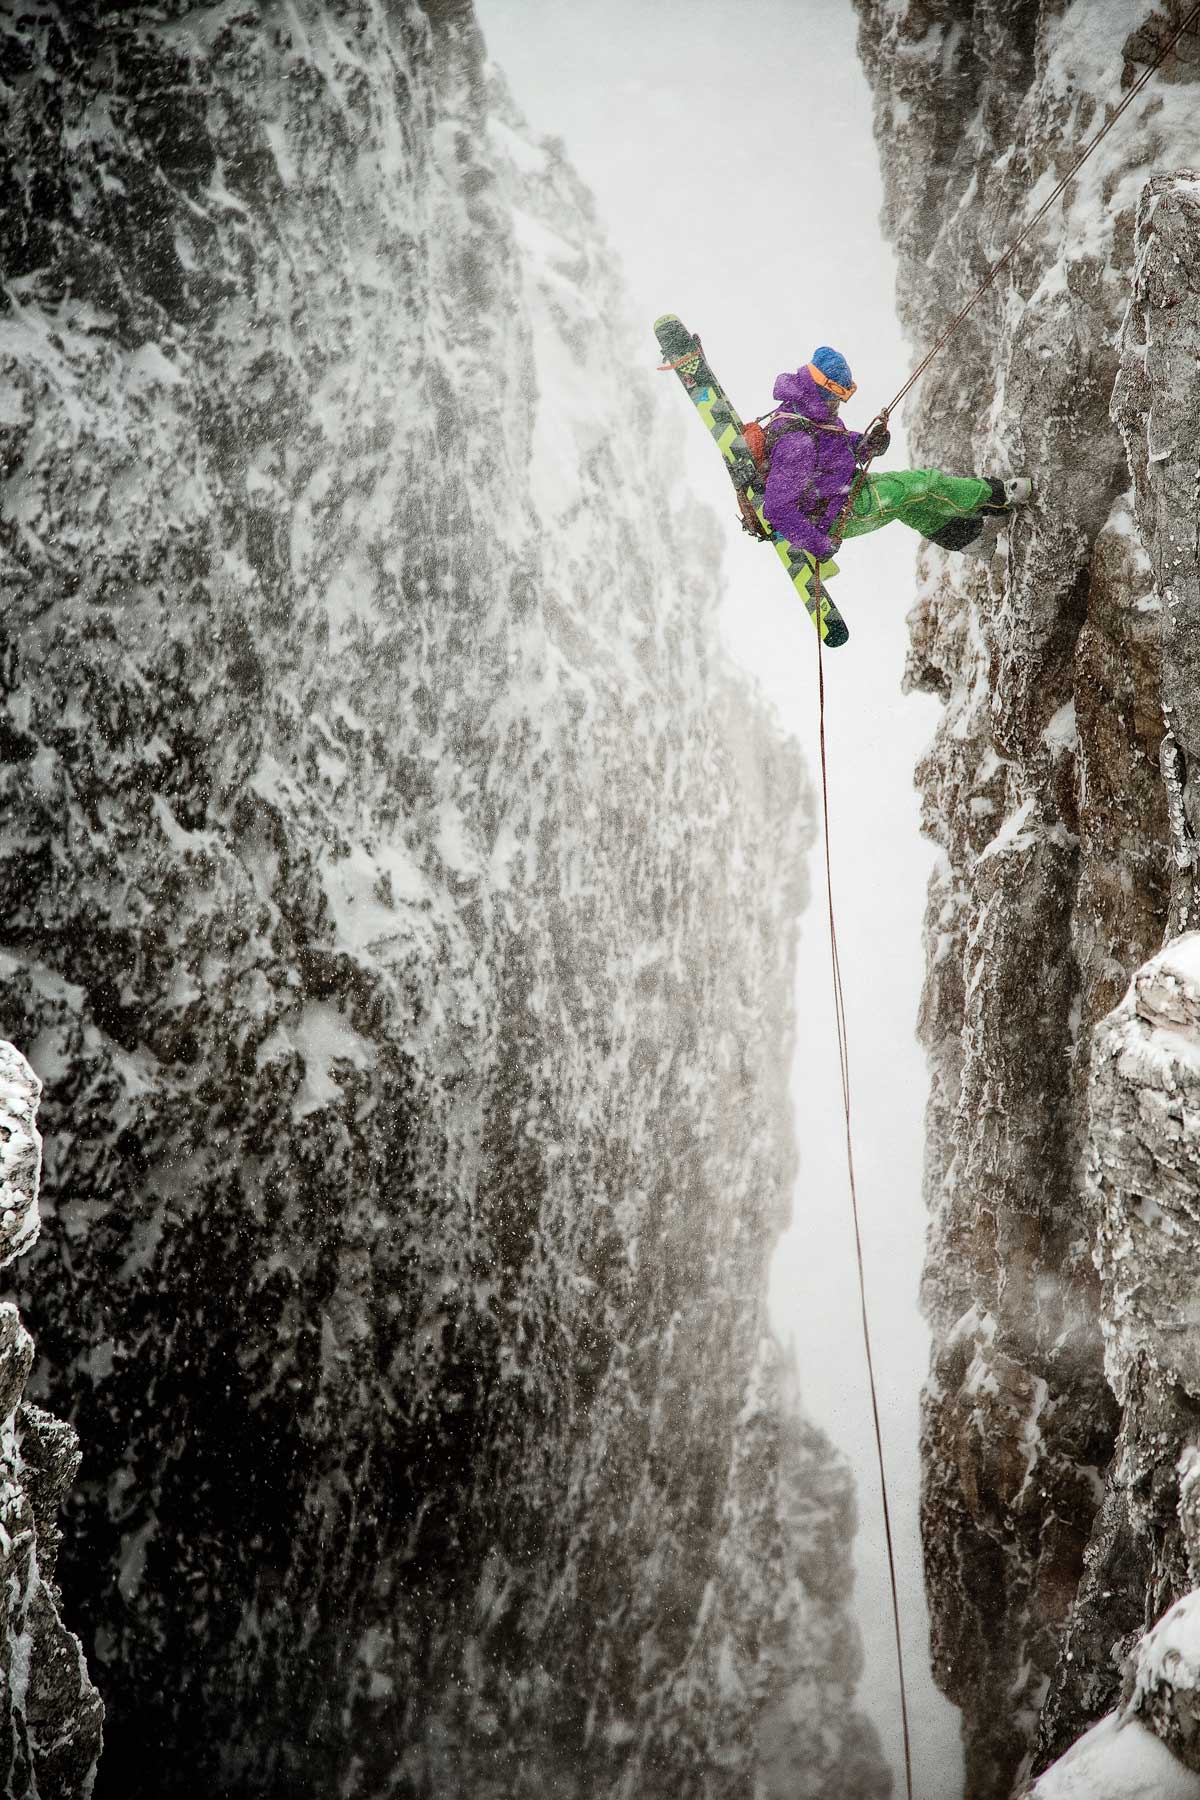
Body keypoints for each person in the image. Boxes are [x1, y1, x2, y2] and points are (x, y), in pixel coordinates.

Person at [760, 347, 1032, 563]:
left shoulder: (808, 410)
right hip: (835, 515)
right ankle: (1000, 495)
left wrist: (866, 444)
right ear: (822, 387)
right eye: (838, 396)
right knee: (923, 484)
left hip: (844, 491)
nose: (840, 403)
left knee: (910, 502)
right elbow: (776, 508)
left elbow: (831, 451)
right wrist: (818, 545)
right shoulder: (797, 442)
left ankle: (970, 540)